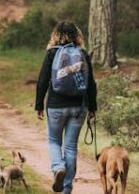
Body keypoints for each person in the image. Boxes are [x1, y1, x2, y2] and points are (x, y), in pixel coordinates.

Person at [35, 21, 97, 194]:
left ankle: (58, 168)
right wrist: (92, 107)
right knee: (70, 147)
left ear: (56, 35)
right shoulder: (82, 53)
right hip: (79, 107)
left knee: (54, 141)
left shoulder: (52, 53)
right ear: (77, 35)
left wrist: (39, 104)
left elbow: (42, 80)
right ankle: (66, 189)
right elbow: (91, 83)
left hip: (55, 106)